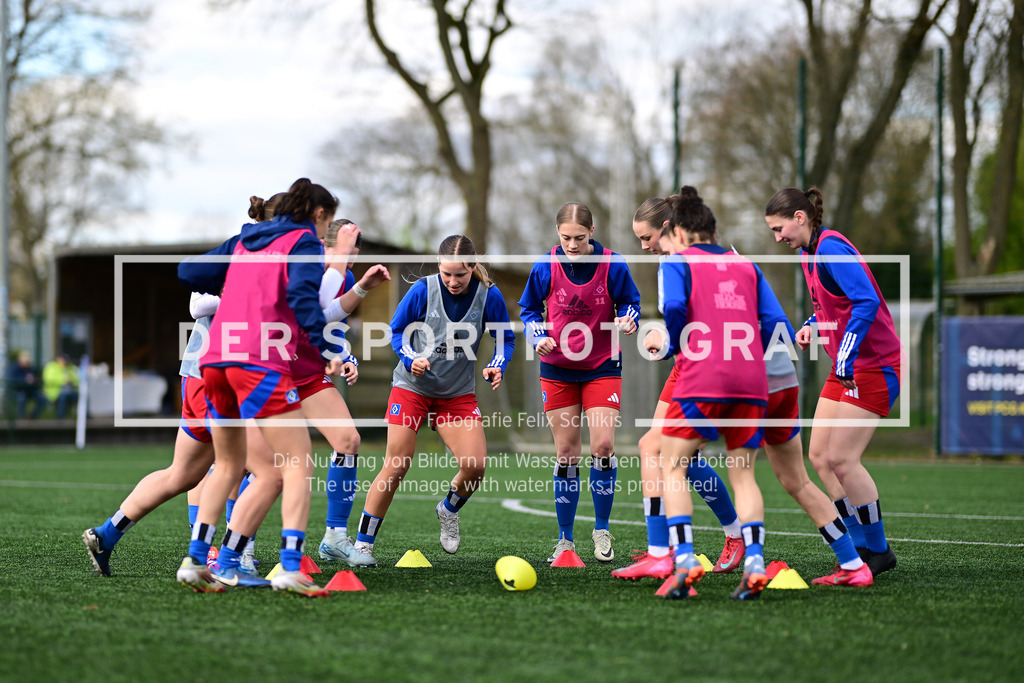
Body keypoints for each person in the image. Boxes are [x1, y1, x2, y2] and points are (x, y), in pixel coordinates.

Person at [177, 177, 345, 597]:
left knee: (230, 466)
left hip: (213, 362)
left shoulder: (246, 239)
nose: (325, 233)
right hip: (257, 361)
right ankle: (290, 567)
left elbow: (188, 271)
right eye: (328, 223)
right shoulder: (303, 240)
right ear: (319, 214)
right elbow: (305, 300)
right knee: (297, 463)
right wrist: (328, 348)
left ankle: (197, 562)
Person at [657, 187, 793, 601]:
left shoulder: (677, 263)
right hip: (752, 380)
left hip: (704, 376)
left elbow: (675, 309)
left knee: (672, 464)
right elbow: (775, 324)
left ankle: (685, 558)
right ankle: (754, 560)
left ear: (680, 233)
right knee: (744, 473)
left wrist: (682, 344)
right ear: (714, 232)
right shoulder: (746, 266)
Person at [765, 186, 901, 581]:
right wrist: (812, 324)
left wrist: (844, 354)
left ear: (800, 218)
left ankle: (878, 550)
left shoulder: (831, 249)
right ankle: (858, 545)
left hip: (872, 365)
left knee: (843, 459)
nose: (778, 238)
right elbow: (832, 305)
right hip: (848, 365)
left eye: (779, 228)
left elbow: (866, 301)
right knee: (820, 457)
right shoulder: (810, 252)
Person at [82, 288, 268, 577]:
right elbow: (197, 306)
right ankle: (228, 561)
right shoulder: (236, 255)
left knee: (183, 475)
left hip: (205, 378)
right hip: (217, 379)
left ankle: (105, 536)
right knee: (268, 471)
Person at [353, 235, 514, 562]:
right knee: (397, 464)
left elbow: (504, 338)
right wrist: (411, 357)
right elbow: (396, 332)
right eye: (447, 274)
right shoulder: (422, 290)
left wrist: (497, 364)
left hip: (456, 396)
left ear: (473, 267)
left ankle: (449, 509)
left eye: (460, 274)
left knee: (475, 466)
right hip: (412, 387)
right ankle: (363, 545)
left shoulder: (489, 296)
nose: (453, 281)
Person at [611, 196, 746, 582]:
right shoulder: (709, 254)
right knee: (664, 451)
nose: (644, 246)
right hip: (694, 363)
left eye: (647, 237)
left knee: (654, 448)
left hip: (708, 367)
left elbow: (685, 317)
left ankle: (665, 551)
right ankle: (700, 542)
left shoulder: (677, 260)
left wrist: (664, 339)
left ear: (670, 228)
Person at [519, 202, 641, 564]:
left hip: (602, 365)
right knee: (567, 453)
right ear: (558, 234)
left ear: (592, 232)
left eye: (580, 238)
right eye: (565, 237)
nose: (572, 245)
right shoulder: (546, 264)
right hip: (556, 369)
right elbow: (528, 310)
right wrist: (535, 333)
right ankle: (565, 540)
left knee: (602, 446)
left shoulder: (612, 264)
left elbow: (631, 303)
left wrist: (629, 320)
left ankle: (601, 528)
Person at [7, 351, 46, 419]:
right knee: (22, 397)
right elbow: (11, 381)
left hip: (29, 390)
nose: (27, 362)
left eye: (28, 361)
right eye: (25, 360)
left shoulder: (30, 368)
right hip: (17, 391)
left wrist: (34, 380)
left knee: (43, 399)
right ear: (20, 360)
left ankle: (32, 416)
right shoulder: (14, 368)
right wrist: (25, 380)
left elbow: (36, 379)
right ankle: (21, 419)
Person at [42, 354, 79, 419]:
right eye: (63, 361)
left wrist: (72, 380)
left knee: (82, 397)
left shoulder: (70, 368)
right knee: (63, 397)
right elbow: (48, 380)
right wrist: (63, 381)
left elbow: (77, 379)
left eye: (66, 361)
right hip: (55, 392)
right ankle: (61, 419)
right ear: (58, 360)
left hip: (70, 392)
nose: (64, 363)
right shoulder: (51, 367)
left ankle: (83, 418)